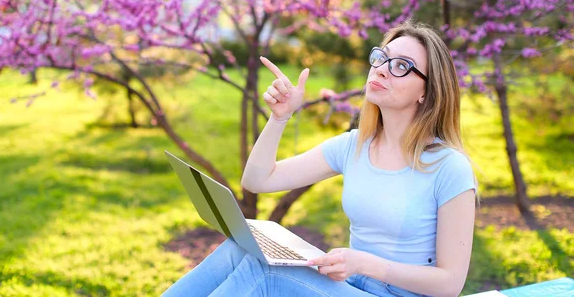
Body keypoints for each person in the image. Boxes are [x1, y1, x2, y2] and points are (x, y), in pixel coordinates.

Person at [162, 20, 477, 297]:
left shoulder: (449, 167)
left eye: (401, 66)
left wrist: (364, 264)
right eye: (381, 57)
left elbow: (450, 283)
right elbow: (258, 180)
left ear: (426, 90)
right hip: (350, 287)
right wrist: (280, 118)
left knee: (268, 272)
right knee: (239, 248)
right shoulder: (354, 146)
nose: (381, 68)